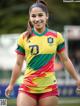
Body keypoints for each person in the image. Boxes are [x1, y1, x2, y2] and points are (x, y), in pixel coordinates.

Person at [5, 0, 80, 106]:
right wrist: (11, 84)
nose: (37, 19)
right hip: (27, 87)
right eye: (33, 16)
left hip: (49, 89)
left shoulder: (56, 36)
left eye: (40, 15)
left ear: (47, 16)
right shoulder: (24, 37)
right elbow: (18, 64)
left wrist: (77, 79)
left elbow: (65, 60)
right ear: (30, 18)